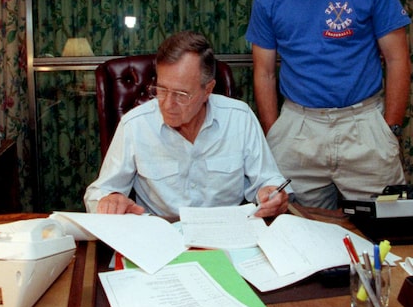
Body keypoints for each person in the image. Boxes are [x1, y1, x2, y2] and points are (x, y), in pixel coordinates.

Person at [245, 0, 411, 210]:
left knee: (386, 226)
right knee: (292, 230)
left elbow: (397, 58)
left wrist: (388, 130)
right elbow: (264, 73)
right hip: (298, 126)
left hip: (363, 123)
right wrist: (274, 132)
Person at [84, 31, 291, 218]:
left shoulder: (240, 118)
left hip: (226, 235)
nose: (167, 104)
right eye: (161, 89)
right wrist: (108, 200)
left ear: (208, 90)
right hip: (161, 237)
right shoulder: (135, 124)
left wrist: (271, 194)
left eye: (181, 94)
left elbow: (268, 181)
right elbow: (97, 193)